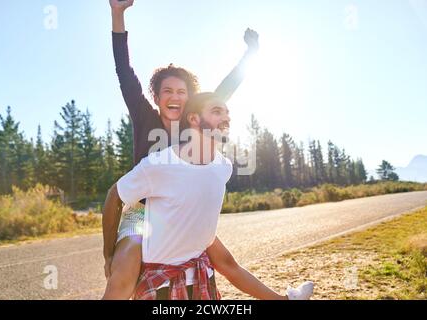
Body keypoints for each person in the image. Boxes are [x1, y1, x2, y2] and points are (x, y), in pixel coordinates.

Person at [103, 0, 314, 300]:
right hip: (143, 211)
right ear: (157, 96)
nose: (174, 97)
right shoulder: (144, 115)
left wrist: (250, 55)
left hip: (180, 210)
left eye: (181, 92)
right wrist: (117, 14)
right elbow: (124, 70)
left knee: (226, 261)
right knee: (122, 275)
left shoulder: (196, 124)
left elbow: (227, 87)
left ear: (190, 101)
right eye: (167, 91)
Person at [104, 92, 314, 299]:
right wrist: (109, 253)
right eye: (217, 111)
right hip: (162, 287)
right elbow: (115, 195)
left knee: (228, 262)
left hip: (202, 278)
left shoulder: (223, 167)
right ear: (194, 119)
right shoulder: (159, 165)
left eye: (227, 113)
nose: (226, 118)